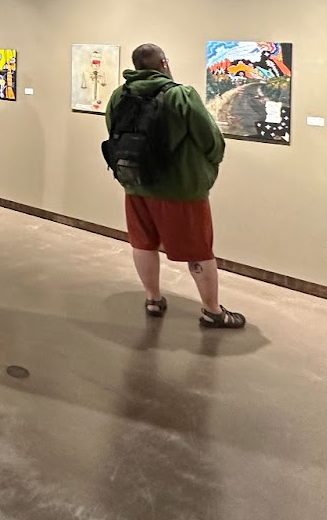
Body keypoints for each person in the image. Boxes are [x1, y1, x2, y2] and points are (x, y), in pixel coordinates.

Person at [104, 43, 244, 328]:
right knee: (198, 249)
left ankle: (153, 299)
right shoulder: (181, 95)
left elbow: (112, 131)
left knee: (143, 242)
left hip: (136, 184)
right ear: (164, 63)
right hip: (181, 189)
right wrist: (210, 165)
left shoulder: (119, 95)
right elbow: (210, 139)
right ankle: (212, 311)